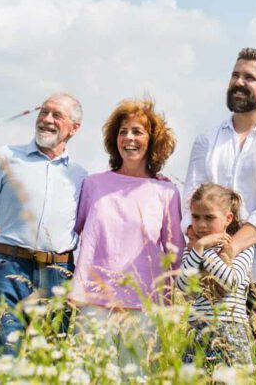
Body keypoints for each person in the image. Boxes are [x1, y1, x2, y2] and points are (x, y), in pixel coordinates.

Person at [183, 47, 256, 366]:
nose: (238, 82)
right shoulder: (206, 141)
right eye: (235, 75)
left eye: (249, 77)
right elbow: (190, 201)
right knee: (210, 364)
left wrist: (229, 249)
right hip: (210, 273)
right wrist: (202, 251)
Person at [0, 93, 87, 364]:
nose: (46, 120)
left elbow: (87, 232)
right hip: (6, 268)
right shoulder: (4, 157)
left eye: (57, 115)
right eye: (43, 112)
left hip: (58, 275)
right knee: (1, 360)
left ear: (74, 128)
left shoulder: (81, 176)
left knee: (48, 366)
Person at [70, 98, 186, 368]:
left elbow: (175, 254)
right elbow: (66, 231)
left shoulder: (167, 193)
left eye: (137, 131)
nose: (129, 138)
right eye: (123, 132)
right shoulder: (93, 184)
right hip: (93, 300)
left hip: (146, 305)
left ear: (153, 140)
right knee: (91, 375)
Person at [179, 183, 255, 367]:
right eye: (196, 217)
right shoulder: (193, 249)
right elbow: (182, 285)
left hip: (230, 330)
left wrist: (205, 249)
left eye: (209, 217)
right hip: (197, 329)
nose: (201, 224)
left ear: (227, 218)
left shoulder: (240, 249)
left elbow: (230, 282)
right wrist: (199, 247)